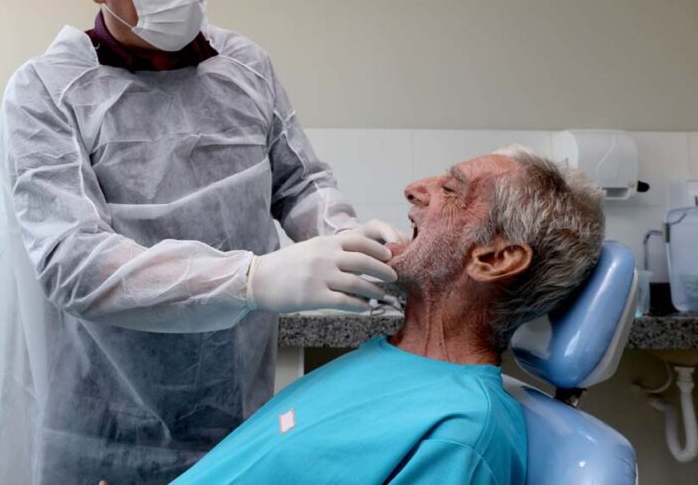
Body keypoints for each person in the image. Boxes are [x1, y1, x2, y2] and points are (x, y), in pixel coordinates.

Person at [0, 0, 404, 485]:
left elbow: (300, 183)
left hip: (235, 402)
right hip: (102, 420)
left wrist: (343, 237)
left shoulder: (245, 66)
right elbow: (74, 263)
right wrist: (252, 278)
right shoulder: (47, 90)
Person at [171, 147, 605, 484]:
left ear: (494, 259)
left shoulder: (459, 433)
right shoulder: (389, 357)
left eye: (451, 190)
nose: (413, 189)